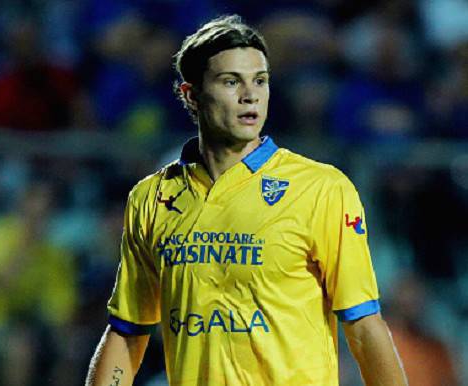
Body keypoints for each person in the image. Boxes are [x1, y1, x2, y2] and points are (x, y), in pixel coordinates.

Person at [85, 15, 408, 386]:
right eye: (230, 81)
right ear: (192, 95)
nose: (249, 95)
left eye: (260, 81)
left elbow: (365, 328)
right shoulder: (152, 197)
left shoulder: (321, 189)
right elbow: (128, 332)